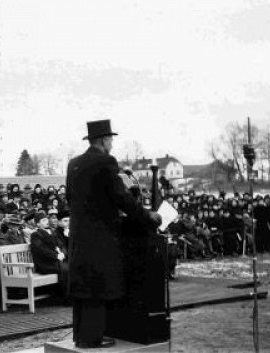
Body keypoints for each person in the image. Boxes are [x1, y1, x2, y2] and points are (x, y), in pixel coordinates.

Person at [66, 119, 161, 349]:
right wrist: (147, 216)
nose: (111, 144)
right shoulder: (105, 161)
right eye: (110, 139)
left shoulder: (73, 163)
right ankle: (92, 339)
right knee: (98, 285)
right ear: (103, 140)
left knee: (83, 287)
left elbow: (70, 197)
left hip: (79, 234)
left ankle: (80, 336)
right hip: (101, 235)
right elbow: (121, 197)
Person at [30, 212, 68, 295]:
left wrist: (63, 254)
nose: (47, 221)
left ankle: (72, 294)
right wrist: (56, 256)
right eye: (43, 220)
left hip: (56, 261)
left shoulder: (53, 232)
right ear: (38, 224)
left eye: (47, 219)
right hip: (45, 263)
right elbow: (41, 250)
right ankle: (66, 296)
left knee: (71, 266)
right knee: (66, 269)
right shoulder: (36, 235)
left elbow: (62, 245)